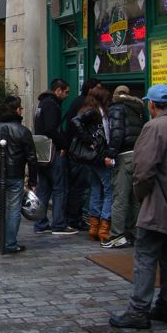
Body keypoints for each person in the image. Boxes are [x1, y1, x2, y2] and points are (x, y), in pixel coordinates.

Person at [109, 84, 167, 329]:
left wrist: (140, 195)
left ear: (152, 104)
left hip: (157, 204)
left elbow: (143, 171)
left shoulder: (154, 127)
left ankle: (139, 309)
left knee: (146, 257)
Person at [0, 95, 38, 254]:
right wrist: (33, 181)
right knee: (13, 209)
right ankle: (10, 243)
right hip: (15, 175)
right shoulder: (23, 131)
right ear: (17, 110)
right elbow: (32, 158)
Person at [102, 85, 147, 249]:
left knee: (119, 198)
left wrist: (110, 153)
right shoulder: (139, 108)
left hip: (124, 155)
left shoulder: (117, 108)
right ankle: (135, 233)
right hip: (138, 154)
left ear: (115, 95)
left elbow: (117, 133)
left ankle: (117, 235)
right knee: (136, 198)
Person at [33, 78, 77, 235]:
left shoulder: (42, 103)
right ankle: (58, 223)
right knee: (59, 188)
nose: (66, 95)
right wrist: (64, 145)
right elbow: (52, 129)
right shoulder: (52, 105)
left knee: (44, 189)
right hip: (52, 151)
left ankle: (40, 223)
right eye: (66, 92)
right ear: (58, 90)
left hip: (42, 152)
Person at [70, 85, 113, 242]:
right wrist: (89, 141)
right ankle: (104, 227)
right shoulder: (94, 111)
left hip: (93, 158)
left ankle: (94, 226)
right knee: (109, 189)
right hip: (99, 156)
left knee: (96, 188)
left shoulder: (89, 109)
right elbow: (75, 121)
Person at [64, 78, 103, 230]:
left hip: (75, 152)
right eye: (98, 88)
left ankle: (73, 217)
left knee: (77, 186)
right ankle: (74, 218)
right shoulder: (85, 104)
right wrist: (88, 141)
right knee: (81, 187)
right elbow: (74, 123)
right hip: (81, 153)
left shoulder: (77, 102)